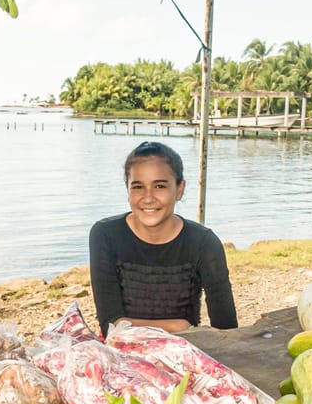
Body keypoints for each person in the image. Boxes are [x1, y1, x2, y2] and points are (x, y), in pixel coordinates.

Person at [89, 141, 237, 336]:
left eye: (159, 186)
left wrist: (181, 331)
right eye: (138, 187)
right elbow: (110, 325)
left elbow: (226, 328)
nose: (148, 197)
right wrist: (179, 326)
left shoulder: (203, 243)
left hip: (185, 351)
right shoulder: (105, 235)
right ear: (128, 190)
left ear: (180, 189)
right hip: (122, 353)